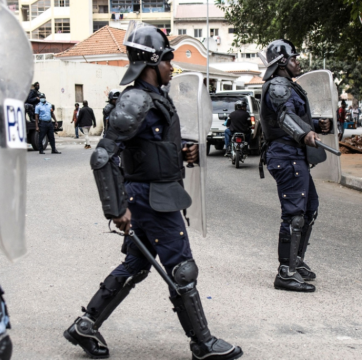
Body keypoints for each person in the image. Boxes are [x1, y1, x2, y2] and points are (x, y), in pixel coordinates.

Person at [63, 22, 243, 360]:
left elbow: (149, 148)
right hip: (151, 198)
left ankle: (86, 324)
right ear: (151, 63)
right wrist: (116, 209)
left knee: (136, 263)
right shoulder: (136, 99)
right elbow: (103, 155)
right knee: (182, 268)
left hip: (154, 193)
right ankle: (202, 344)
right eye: (167, 60)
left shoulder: (156, 98)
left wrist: (183, 152)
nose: (171, 67)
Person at [259, 39, 333, 293]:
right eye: (294, 58)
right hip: (286, 155)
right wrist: (304, 134)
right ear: (282, 62)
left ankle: (296, 261)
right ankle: (285, 272)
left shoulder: (288, 85)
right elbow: (285, 116)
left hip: (295, 155)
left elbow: (295, 115)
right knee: (294, 214)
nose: (298, 62)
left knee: (309, 207)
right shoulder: (278, 85)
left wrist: (317, 125)